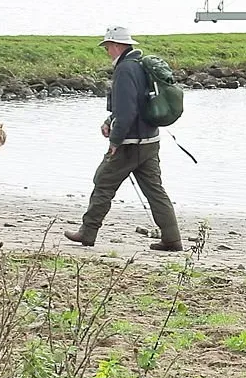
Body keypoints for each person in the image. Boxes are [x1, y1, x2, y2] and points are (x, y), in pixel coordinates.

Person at [64, 27, 181, 251]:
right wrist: (110, 120)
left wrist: (114, 142)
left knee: (103, 182)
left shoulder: (125, 69)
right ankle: (172, 239)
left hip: (130, 143)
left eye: (107, 47)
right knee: (155, 191)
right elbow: (133, 105)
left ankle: (87, 233)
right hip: (150, 140)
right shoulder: (140, 65)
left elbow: (126, 111)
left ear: (117, 46)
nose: (107, 51)